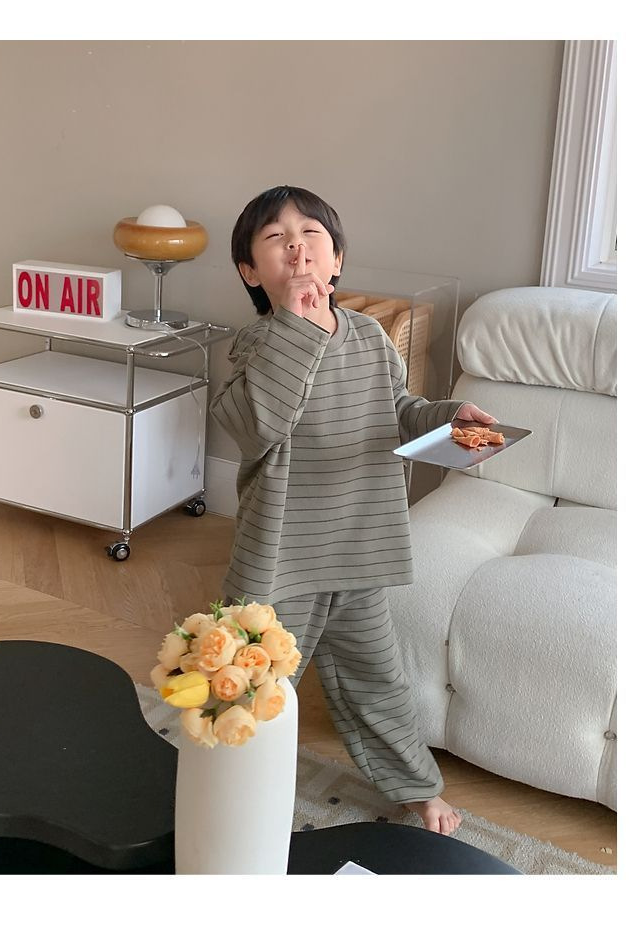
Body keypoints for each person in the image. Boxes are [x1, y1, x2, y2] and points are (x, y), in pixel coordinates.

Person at [209, 185, 495, 835]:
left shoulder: (369, 336)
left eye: (311, 234)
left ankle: (417, 787)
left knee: (377, 676)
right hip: (282, 555)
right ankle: (220, 786)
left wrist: (452, 419)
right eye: (275, 239)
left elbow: (398, 411)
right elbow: (257, 425)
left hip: (360, 543)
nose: (296, 247)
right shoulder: (257, 345)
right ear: (251, 272)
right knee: (247, 675)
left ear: (336, 260)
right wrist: (297, 329)